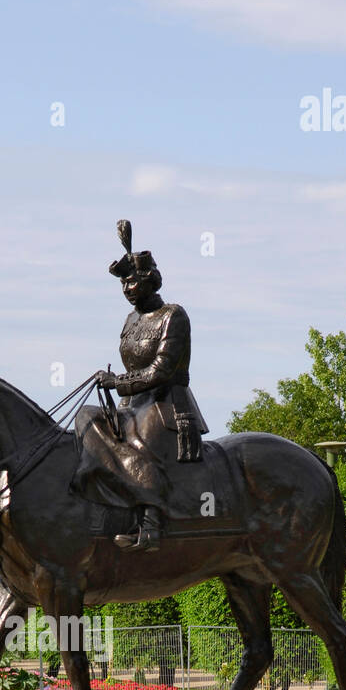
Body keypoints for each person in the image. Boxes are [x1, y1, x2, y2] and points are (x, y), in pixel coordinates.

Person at [93, 220, 208, 552]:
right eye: (124, 283)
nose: (127, 289)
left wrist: (118, 382)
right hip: (133, 405)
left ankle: (151, 527)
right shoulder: (131, 320)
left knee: (144, 452)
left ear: (149, 281)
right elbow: (133, 365)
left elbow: (161, 370)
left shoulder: (174, 315)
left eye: (132, 281)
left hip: (167, 404)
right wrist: (112, 380)